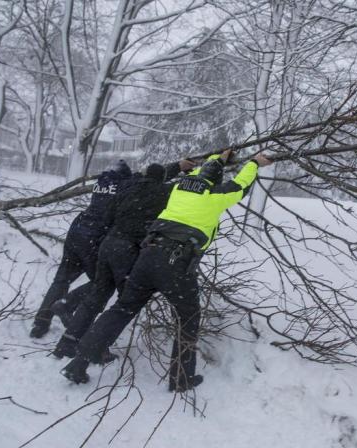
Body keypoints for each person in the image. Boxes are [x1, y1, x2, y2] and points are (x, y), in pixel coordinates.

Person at [62, 150, 274, 391]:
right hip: (176, 263)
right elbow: (240, 185)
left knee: (122, 308)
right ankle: (181, 379)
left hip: (147, 256)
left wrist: (219, 159)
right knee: (188, 318)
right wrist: (255, 163)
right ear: (214, 183)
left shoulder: (179, 188)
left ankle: (79, 363)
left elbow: (197, 174)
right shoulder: (215, 196)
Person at [51, 159, 195, 362]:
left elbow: (113, 211)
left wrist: (178, 166)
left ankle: (67, 343)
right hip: (127, 251)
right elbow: (184, 188)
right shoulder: (164, 193)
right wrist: (192, 172)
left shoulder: (129, 185)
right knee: (124, 305)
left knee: (98, 294)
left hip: (107, 245)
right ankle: (97, 348)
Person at [29, 160, 132, 338]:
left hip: (77, 230)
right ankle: (66, 304)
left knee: (61, 279)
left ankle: (41, 322)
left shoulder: (102, 182)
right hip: (94, 236)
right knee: (102, 281)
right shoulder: (125, 186)